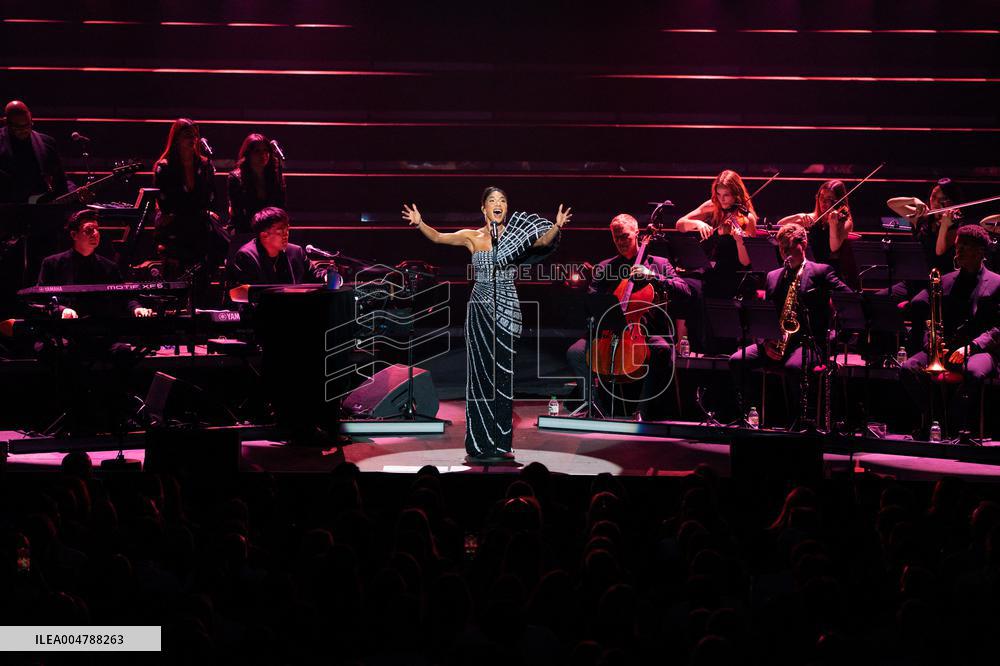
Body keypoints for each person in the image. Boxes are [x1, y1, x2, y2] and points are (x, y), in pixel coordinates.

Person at [402, 187, 568, 463]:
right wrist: (420, 223)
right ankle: (478, 444)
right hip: (479, 309)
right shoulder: (472, 237)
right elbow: (439, 237)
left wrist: (557, 226)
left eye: (502, 200)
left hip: (506, 307)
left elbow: (541, 242)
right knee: (479, 377)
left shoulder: (516, 237)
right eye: (492, 201)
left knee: (502, 377)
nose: (498, 204)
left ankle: (501, 442)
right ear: (483, 209)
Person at [565, 213, 690, 419]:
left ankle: (641, 410)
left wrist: (653, 277)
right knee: (575, 353)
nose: (621, 242)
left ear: (637, 234)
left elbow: (685, 290)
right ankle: (595, 407)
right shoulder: (606, 267)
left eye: (625, 236)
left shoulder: (658, 263)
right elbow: (593, 298)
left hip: (645, 332)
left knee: (662, 350)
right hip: (610, 331)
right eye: (617, 238)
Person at [728, 223, 852, 424]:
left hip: (809, 342)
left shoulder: (821, 271)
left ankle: (797, 423)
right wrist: (765, 342)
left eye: (788, 247)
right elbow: (764, 317)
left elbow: (849, 299)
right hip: (777, 341)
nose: (784, 252)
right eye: (781, 247)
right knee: (737, 360)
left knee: (793, 368)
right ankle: (748, 415)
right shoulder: (773, 276)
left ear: (803, 244)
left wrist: (835, 336)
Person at [900, 225, 1000, 438]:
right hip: (946, 348)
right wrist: (932, 342)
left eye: (965, 247)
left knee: (973, 372)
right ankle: (935, 418)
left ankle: (955, 424)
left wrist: (971, 348)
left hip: (980, 350)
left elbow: (997, 329)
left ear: (980, 252)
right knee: (908, 368)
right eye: (958, 246)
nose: (959, 251)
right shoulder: (945, 281)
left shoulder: (997, 283)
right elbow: (931, 319)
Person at [675, 170, 759, 354]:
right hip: (711, 273)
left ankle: (720, 351)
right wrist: (698, 224)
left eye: (726, 195)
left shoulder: (747, 218)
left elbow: (745, 262)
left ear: (736, 193)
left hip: (733, 278)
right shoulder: (712, 207)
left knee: (713, 298)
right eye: (719, 194)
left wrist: (739, 241)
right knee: (687, 289)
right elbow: (680, 224)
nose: (722, 200)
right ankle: (697, 348)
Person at [37, 209, 153, 319]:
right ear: (74, 235)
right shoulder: (52, 264)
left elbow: (123, 297)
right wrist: (62, 310)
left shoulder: (109, 267)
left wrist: (136, 308)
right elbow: (41, 299)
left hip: (100, 332)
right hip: (64, 331)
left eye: (97, 229)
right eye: (89, 230)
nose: (95, 234)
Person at [153, 118, 227, 285]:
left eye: (194, 135)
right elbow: (166, 203)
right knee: (177, 277)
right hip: (176, 227)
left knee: (206, 268)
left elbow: (211, 195)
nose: (192, 139)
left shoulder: (204, 164)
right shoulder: (164, 166)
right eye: (187, 135)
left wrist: (204, 211)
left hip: (198, 226)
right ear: (177, 138)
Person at [778, 180, 858, 288]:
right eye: (821, 197)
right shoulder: (813, 218)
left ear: (838, 201)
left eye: (829, 199)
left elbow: (834, 247)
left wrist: (833, 224)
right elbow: (780, 225)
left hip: (831, 273)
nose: (823, 201)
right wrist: (798, 216)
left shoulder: (844, 222)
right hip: (809, 271)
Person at [0, 100, 74, 204]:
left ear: (31, 119)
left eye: (27, 125)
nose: (24, 130)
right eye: (17, 127)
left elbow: (61, 179)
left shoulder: (47, 142)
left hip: (40, 209)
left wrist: (75, 192)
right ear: (6, 122)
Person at [227, 207, 324, 286]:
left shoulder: (296, 252)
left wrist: (327, 276)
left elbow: (315, 274)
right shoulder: (247, 256)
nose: (286, 234)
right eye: (280, 231)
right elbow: (248, 293)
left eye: (287, 229)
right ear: (264, 235)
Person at [888, 178, 965, 277]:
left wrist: (944, 226)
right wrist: (914, 200)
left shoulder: (955, 223)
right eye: (933, 197)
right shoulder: (922, 216)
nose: (935, 202)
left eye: (942, 199)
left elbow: (939, 252)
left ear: (951, 201)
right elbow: (891, 203)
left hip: (941, 278)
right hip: (916, 275)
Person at [227, 133, 286, 234]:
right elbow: (238, 214)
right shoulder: (236, 178)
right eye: (257, 151)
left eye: (265, 150)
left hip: (270, 230)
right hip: (245, 229)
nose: (263, 155)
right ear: (248, 154)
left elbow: (280, 207)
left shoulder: (276, 176)